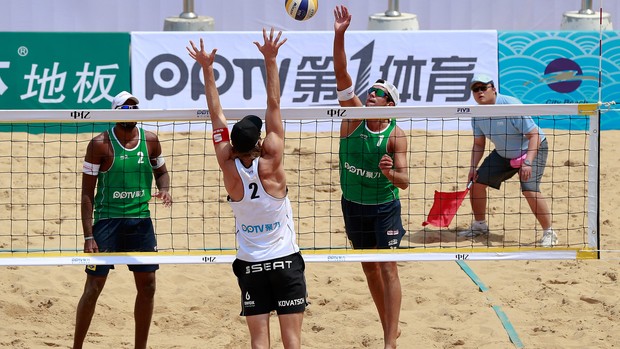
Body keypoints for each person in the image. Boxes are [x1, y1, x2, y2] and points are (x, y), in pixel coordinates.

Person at [187, 28, 307, 349]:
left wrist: (207, 69)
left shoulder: (229, 169)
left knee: (258, 342)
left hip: (251, 263)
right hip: (284, 261)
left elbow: (216, 118)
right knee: (292, 341)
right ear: (259, 141)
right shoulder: (272, 164)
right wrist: (270, 59)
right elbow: (274, 103)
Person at [333, 6, 409, 349]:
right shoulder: (352, 119)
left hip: (384, 206)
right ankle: (387, 327)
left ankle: (389, 342)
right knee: (368, 268)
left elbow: (405, 181)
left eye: (379, 93)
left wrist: (390, 172)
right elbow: (341, 74)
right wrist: (340, 34)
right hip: (354, 205)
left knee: (388, 266)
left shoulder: (396, 135)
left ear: (389, 105)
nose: (371, 94)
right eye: (372, 90)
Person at [73, 91, 172, 349]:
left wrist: (165, 188)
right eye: (125, 108)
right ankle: (77, 347)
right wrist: (88, 235)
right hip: (107, 221)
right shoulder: (99, 145)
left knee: (148, 286)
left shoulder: (150, 140)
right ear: (115, 113)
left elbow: (161, 171)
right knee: (94, 287)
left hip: (140, 221)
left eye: (134, 108)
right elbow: (86, 192)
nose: (130, 112)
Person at [460, 73, 557, 247]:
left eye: (483, 88)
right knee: (476, 183)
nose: (479, 92)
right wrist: (473, 167)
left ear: (494, 89)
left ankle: (549, 232)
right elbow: (478, 144)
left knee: (529, 188)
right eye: (475, 89)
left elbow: (533, 135)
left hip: (531, 148)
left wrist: (528, 162)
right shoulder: (477, 113)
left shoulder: (511, 105)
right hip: (504, 153)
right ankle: (480, 225)